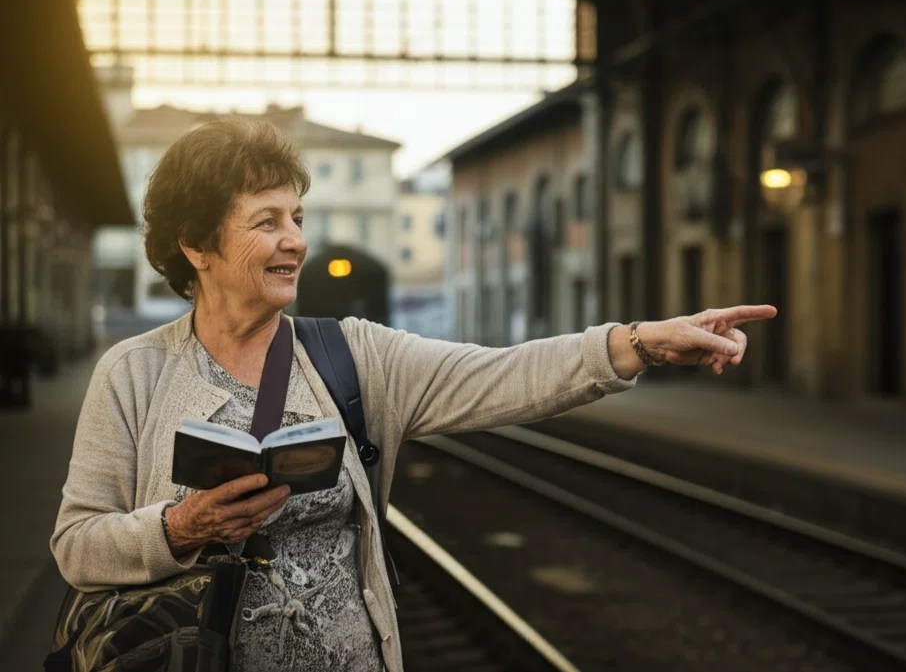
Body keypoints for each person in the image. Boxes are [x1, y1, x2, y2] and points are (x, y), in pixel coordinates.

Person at [50, 118, 777, 672]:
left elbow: (505, 374)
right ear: (196, 246)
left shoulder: (353, 355)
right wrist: (179, 527)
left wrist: (642, 340)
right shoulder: (133, 373)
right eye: (266, 222)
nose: (295, 240)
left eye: (297, 217)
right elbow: (78, 546)